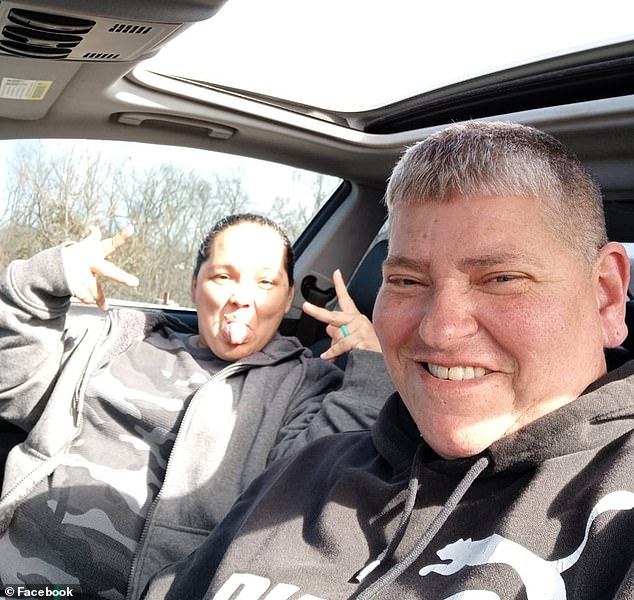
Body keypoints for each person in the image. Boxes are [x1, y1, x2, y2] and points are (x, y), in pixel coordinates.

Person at [144, 121, 634, 600]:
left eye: (501, 278)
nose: (439, 330)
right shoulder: (306, 472)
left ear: (606, 295)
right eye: (406, 281)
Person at [0, 213, 393, 599]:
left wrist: (372, 361)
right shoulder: (117, 340)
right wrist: (39, 282)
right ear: (195, 286)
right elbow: (14, 388)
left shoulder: (303, 385)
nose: (241, 298)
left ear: (288, 297)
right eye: (223, 277)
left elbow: (310, 481)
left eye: (266, 282)